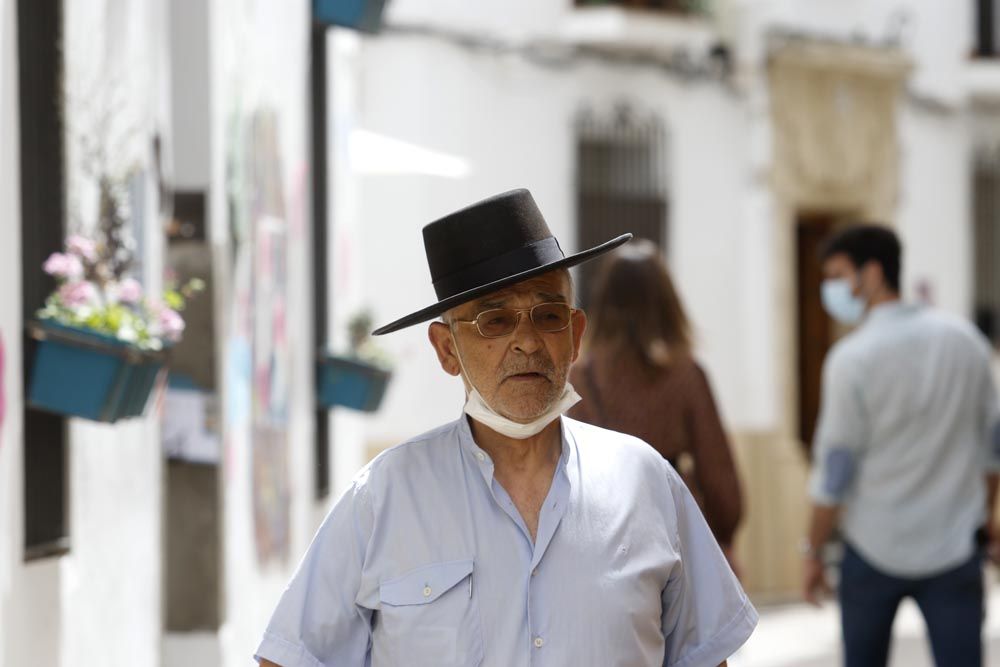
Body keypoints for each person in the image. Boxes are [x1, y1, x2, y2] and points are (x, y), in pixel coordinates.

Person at [254, 189, 757, 667]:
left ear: (576, 335)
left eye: (548, 315)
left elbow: (705, 656)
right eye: (494, 321)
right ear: (447, 350)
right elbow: (291, 656)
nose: (528, 343)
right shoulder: (383, 498)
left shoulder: (646, 482)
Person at [802, 224, 1000, 667]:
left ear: (871, 274)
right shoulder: (965, 341)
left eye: (837, 275)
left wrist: (813, 551)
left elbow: (835, 470)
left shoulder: (851, 359)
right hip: (954, 546)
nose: (830, 290)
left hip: (872, 548)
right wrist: (987, 517)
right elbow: (993, 444)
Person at [568, 240, 744, 574]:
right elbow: (717, 471)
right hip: (674, 532)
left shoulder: (580, 376)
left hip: (601, 537)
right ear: (667, 301)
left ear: (604, 299)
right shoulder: (685, 374)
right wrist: (725, 535)